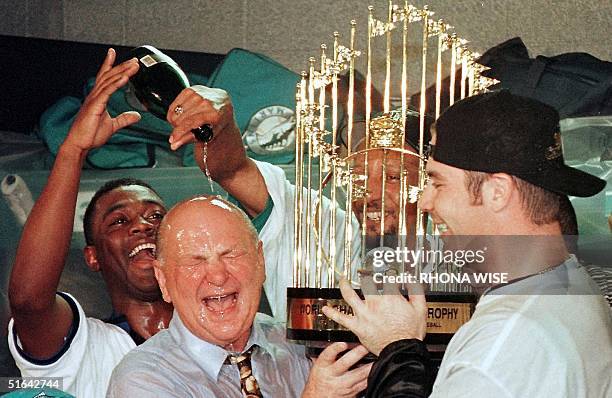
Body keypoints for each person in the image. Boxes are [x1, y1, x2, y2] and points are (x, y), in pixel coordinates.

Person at [324, 90, 612, 397]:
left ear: (497, 192)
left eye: (437, 183)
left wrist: (398, 350)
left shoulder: (498, 351)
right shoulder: (569, 281)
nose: (424, 201)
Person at [166, 87, 428, 319]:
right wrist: (220, 121)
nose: (369, 194)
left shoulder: (460, 251)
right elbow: (231, 170)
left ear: (432, 181)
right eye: (357, 176)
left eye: (393, 177)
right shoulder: (318, 225)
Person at [107, 195, 371, 397]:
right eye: (194, 261)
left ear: (260, 261)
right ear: (163, 280)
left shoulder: (295, 342)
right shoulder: (142, 379)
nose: (218, 275)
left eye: (231, 254)